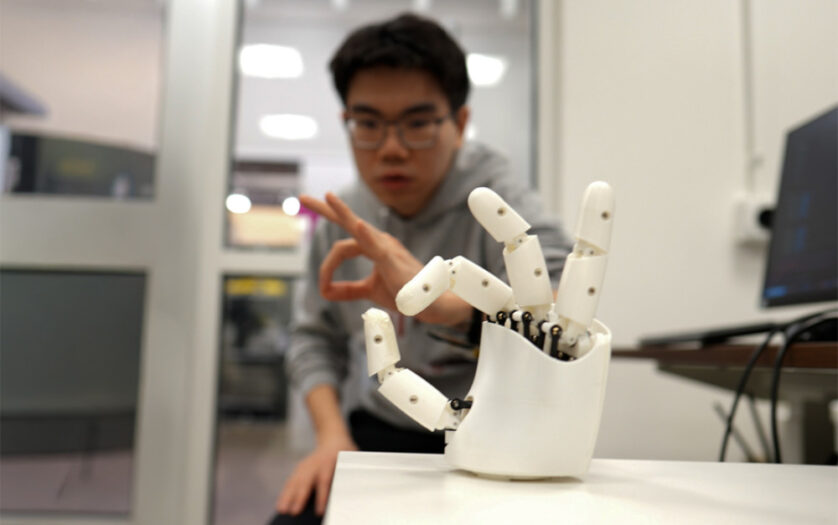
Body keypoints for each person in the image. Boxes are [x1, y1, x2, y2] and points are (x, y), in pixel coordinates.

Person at [270, 13, 572, 525]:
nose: (391, 147)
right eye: (367, 123)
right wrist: (331, 439)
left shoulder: (496, 201)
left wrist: (451, 309)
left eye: (416, 123)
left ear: (458, 124)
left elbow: (565, 311)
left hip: (495, 438)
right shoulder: (342, 219)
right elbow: (312, 339)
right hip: (378, 429)